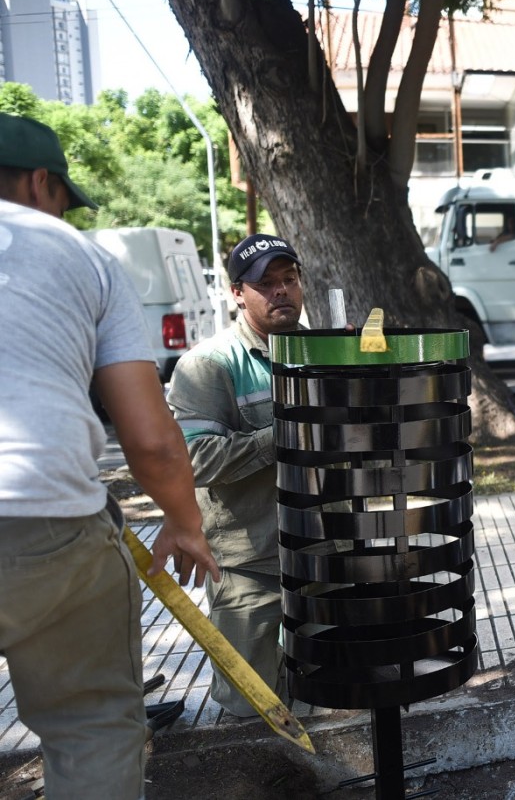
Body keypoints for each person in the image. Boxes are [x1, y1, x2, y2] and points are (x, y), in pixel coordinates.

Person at [0, 113, 219, 798]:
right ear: (41, 182)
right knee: (92, 723)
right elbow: (150, 438)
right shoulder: (84, 257)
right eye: (63, 194)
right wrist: (184, 521)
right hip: (45, 515)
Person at [166, 232, 306, 718]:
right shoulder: (207, 365)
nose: (281, 291)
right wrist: (288, 431)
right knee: (250, 711)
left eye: (289, 279)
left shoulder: (324, 353)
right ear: (237, 294)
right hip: (250, 568)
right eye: (265, 283)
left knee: (332, 697)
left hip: (325, 560)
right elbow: (197, 461)